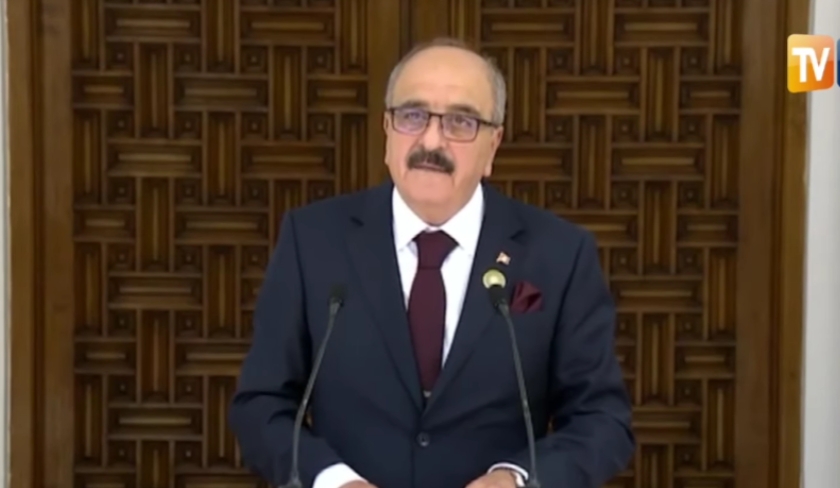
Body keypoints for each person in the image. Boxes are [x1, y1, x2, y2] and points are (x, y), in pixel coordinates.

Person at [229, 37, 635, 488]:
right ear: (387, 130)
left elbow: (602, 420)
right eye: (412, 115)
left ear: (493, 145)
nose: (431, 140)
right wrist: (331, 480)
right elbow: (261, 406)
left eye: (461, 121)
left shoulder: (559, 253)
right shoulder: (313, 241)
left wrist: (516, 479)